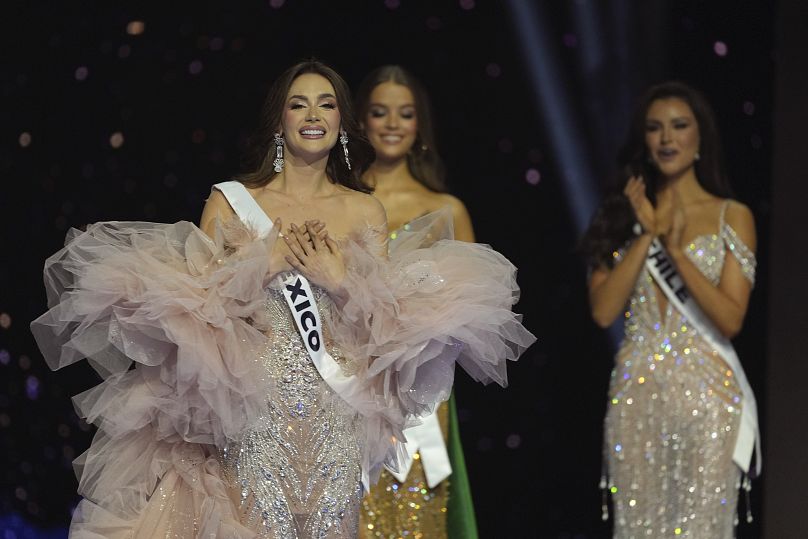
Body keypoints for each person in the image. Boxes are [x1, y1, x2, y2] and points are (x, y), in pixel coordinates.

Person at [30, 60, 535, 538]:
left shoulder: (365, 211)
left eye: (327, 104)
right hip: (252, 411)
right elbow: (192, 316)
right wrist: (263, 266)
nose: (313, 115)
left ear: (341, 120)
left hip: (334, 414)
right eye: (299, 104)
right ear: (279, 120)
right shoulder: (231, 201)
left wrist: (338, 279)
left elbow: (385, 332)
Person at [580, 81, 760, 538]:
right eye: (655, 128)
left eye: (679, 126)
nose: (666, 138)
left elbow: (731, 319)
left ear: (701, 139)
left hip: (709, 399)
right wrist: (646, 235)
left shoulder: (731, 215)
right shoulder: (620, 216)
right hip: (636, 397)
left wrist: (677, 251)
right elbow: (603, 312)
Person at [354, 65, 476, 539]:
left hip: (418, 392)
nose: (391, 124)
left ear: (419, 125)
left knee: (414, 517)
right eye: (379, 112)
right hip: (347, 381)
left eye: (404, 114)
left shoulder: (445, 209)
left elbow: (474, 314)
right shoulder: (340, 199)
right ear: (361, 123)